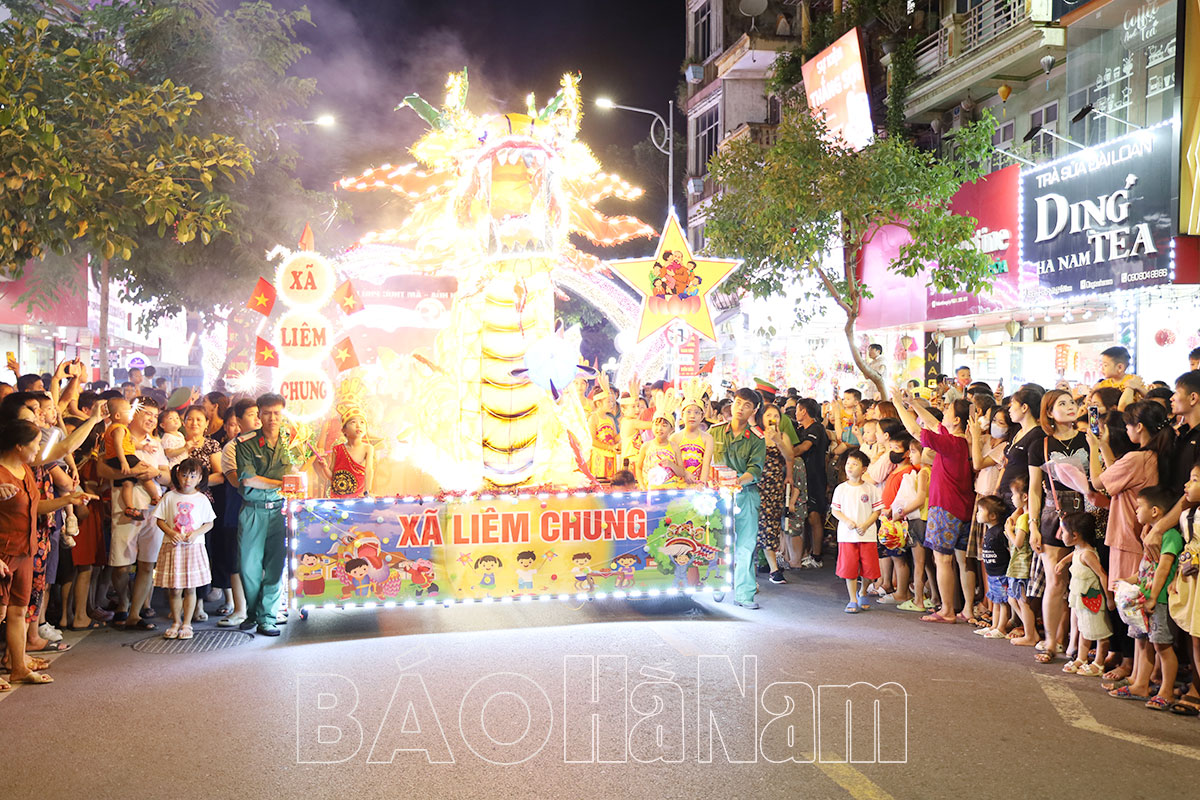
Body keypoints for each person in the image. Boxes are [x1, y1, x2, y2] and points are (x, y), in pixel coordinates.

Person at [0, 419, 91, 688]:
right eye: (34, 444)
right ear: (18, 446)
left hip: (25, 550)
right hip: (4, 552)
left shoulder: (25, 469)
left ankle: (18, 667)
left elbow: (35, 506)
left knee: (18, 612)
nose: (39, 449)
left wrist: (68, 500)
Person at [893, 389, 974, 625]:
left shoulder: (951, 442)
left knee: (942, 560)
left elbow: (917, 431)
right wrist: (914, 405)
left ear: (957, 420)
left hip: (945, 507)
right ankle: (966, 608)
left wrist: (899, 405)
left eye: (948, 410)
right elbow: (934, 423)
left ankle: (947, 609)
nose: (944, 413)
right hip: (961, 506)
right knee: (961, 561)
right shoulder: (959, 441)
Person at [1028, 389, 1091, 663]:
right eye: (1061, 404)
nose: (1069, 407)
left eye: (1072, 402)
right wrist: (1032, 526)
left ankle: (1082, 645)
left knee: (1085, 580)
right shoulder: (1039, 445)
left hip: (1088, 513)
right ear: (1049, 413)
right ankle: (1052, 641)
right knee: (1055, 580)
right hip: (1053, 514)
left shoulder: (1089, 440)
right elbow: (1033, 491)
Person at [1109, 487, 1182, 710]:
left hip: (1157, 600)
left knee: (1162, 646)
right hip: (1144, 598)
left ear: (1155, 511)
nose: (1136, 511)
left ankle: (1166, 692)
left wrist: (1152, 598)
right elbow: (1145, 572)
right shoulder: (1150, 536)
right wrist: (1127, 580)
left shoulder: (1169, 536)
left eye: (1139, 506)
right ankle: (1140, 683)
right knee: (1141, 641)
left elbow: (1163, 568)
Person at [235, 393, 296, 636]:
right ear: (259, 414)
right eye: (267, 413)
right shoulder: (246, 443)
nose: (272, 418)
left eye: (277, 413)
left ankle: (267, 617)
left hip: (280, 512)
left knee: (275, 567)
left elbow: (299, 471)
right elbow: (250, 480)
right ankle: (253, 612)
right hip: (253, 512)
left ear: (283, 414)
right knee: (248, 567)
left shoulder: (292, 443)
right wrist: (283, 483)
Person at [709, 388, 766, 609]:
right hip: (716, 497)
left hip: (745, 495)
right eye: (738, 403)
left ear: (755, 409)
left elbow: (756, 469)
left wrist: (738, 482)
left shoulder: (757, 438)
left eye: (747, 405)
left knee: (745, 545)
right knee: (717, 541)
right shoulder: (715, 432)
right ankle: (718, 582)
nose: (740, 408)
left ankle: (744, 594)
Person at [153, 459, 216, 640]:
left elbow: (209, 523)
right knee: (174, 589)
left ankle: (187, 623)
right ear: (178, 475)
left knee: (190, 588)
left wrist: (196, 533)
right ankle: (175, 622)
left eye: (192, 476)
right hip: (173, 547)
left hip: (193, 547)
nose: (188, 479)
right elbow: (159, 519)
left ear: (199, 478)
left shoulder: (202, 498)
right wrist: (170, 532)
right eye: (184, 475)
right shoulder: (170, 496)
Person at [1055, 512, 1113, 677]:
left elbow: (1103, 575)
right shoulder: (1080, 549)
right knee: (1084, 629)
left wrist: (1109, 598)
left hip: (1092, 599)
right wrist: (1063, 561)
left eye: (1063, 532)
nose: (1060, 536)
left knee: (1098, 631)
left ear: (1075, 535)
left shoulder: (1088, 554)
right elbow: (1074, 554)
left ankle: (1099, 663)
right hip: (1081, 599)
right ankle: (1081, 657)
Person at [216, 402, 257, 628]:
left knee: (259, 562)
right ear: (239, 422)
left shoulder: (268, 444)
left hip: (262, 512)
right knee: (237, 562)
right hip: (238, 512)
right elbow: (237, 481)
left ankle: (260, 609)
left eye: (259, 414)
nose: (258, 419)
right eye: (251, 415)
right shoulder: (231, 448)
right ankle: (240, 610)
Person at [831, 450, 882, 613]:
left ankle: (863, 591)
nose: (850, 467)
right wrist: (847, 521)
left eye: (855, 464)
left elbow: (877, 511)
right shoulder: (840, 489)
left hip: (867, 535)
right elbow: (835, 511)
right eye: (848, 464)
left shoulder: (871, 489)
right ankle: (852, 598)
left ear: (864, 469)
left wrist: (866, 524)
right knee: (850, 568)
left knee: (868, 568)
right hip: (847, 536)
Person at [1167, 465, 1200, 714]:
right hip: (1192, 581)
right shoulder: (1189, 514)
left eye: (1195, 480)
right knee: (1194, 636)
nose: (1186, 485)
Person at [103, 397, 162, 521]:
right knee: (137, 474)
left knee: (129, 482)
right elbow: (101, 471)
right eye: (148, 414)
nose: (152, 420)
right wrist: (131, 471)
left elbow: (167, 475)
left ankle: (150, 500)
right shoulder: (117, 431)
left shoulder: (156, 443)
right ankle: (151, 499)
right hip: (122, 516)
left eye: (156, 416)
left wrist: (157, 473)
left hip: (153, 513)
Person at [756, 403, 792, 584]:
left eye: (776, 416)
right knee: (759, 525)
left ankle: (771, 567)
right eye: (768, 415)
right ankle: (770, 568)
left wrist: (777, 440)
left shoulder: (783, 436)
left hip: (775, 487)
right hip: (757, 486)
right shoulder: (755, 435)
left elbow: (789, 457)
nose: (772, 418)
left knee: (771, 525)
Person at [793, 398, 829, 568]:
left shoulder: (816, 428)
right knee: (805, 516)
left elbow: (803, 448)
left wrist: (787, 453)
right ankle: (806, 552)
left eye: (797, 409)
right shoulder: (801, 429)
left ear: (804, 411)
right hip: (803, 479)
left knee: (814, 517)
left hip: (815, 479)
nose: (795, 413)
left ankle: (817, 556)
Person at [1005, 476, 1039, 646]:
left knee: (1022, 600)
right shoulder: (1023, 516)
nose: (1011, 498)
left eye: (1013, 494)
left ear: (1025, 496)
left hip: (1022, 565)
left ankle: (1031, 634)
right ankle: (1029, 630)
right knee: (1014, 599)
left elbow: (1018, 543)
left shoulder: (1024, 518)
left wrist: (1007, 531)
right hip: (1017, 564)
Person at [314, 407, 375, 498]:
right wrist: (324, 467)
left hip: (358, 497)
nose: (358, 426)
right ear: (344, 431)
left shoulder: (368, 448)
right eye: (353, 422)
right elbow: (333, 477)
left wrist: (367, 492)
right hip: (338, 497)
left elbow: (369, 470)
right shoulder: (337, 449)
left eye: (362, 422)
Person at [975, 495, 1011, 639]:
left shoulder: (999, 531)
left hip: (1001, 573)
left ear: (993, 515)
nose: (977, 514)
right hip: (992, 573)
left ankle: (1001, 627)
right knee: (995, 601)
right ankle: (994, 625)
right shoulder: (989, 531)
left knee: (1003, 602)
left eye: (980, 511)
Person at [671, 393, 713, 487]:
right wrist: (684, 473)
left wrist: (701, 483)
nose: (692, 416)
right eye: (688, 412)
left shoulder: (708, 438)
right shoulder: (674, 438)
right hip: (678, 486)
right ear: (682, 415)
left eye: (697, 412)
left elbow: (706, 464)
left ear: (702, 416)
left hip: (698, 486)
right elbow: (673, 463)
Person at [635, 410, 683, 490]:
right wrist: (642, 484)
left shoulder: (674, 447)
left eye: (664, 425)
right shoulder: (646, 446)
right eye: (656, 425)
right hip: (650, 490)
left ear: (671, 429)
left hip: (670, 491)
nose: (659, 428)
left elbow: (682, 472)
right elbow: (639, 468)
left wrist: (671, 465)